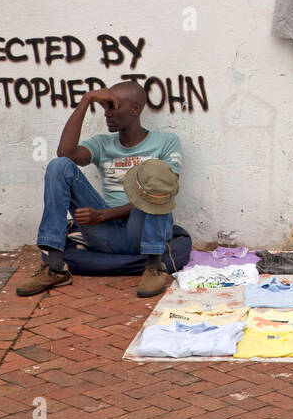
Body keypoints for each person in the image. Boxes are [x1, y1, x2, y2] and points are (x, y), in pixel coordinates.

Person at [16, 81, 182, 298]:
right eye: (104, 108)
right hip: (106, 233)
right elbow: (65, 152)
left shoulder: (166, 141)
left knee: (159, 177)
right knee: (59, 166)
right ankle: (54, 267)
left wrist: (104, 214)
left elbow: (166, 190)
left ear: (135, 110)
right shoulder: (102, 144)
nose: (107, 114)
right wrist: (86, 100)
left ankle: (154, 266)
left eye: (113, 107)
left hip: (143, 231)